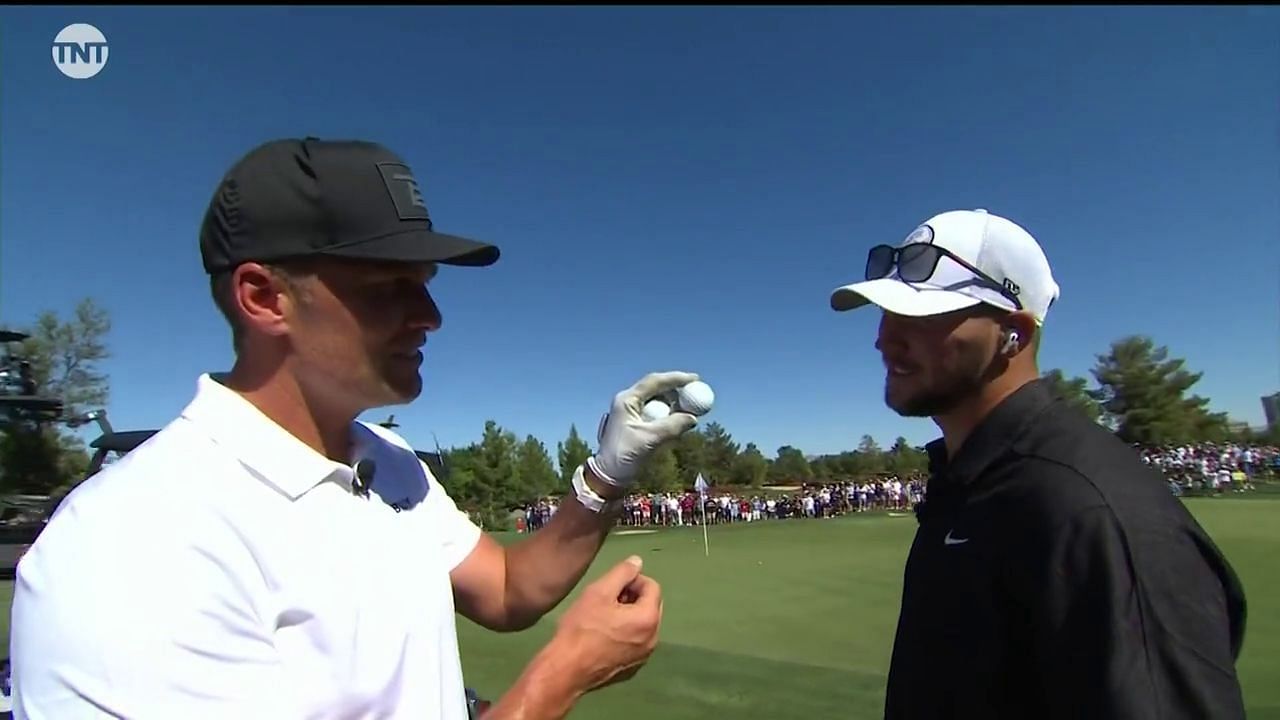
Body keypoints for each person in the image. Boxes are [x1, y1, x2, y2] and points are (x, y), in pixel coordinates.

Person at [10, 137, 705, 719]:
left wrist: (607, 475)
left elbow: (505, 590)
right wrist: (562, 675)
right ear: (263, 297)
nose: (430, 315)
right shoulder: (136, 542)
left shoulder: (390, 460)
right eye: (386, 287)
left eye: (426, 282)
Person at [829, 209, 1248, 719]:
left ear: (1015, 334)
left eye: (921, 317)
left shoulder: (1085, 506)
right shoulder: (967, 483)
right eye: (886, 315)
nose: (884, 339)